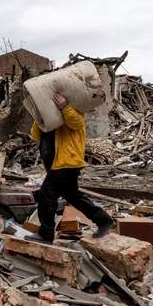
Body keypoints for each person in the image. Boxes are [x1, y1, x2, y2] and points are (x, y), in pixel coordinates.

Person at [25, 93, 115, 244]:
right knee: (73, 197)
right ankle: (104, 220)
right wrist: (38, 118)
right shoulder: (49, 120)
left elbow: (77, 123)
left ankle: (46, 234)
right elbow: (36, 136)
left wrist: (65, 107)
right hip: (57, 165)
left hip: (67, 163)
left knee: (46, 194)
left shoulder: (74, 114)